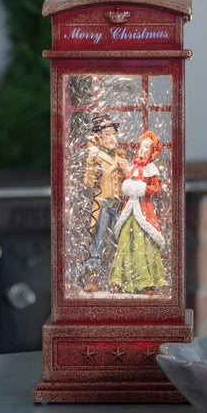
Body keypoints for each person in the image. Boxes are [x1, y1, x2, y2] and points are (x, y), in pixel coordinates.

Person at [108, 130, 167, 294]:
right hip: (129, 209)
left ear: (152, 151)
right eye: (141, 145)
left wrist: (140, 188)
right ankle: (121, 279)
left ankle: (147, 281)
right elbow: (125, 182)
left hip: (143, 209)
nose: (142, 149)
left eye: (146, 147)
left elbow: (155, 188)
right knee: (125, 242)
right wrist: (127, 186)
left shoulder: (151, 169)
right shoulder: (132, 167)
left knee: (143, 242)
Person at [82, 115, 128, 292]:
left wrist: (127, 169)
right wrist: (91, 160)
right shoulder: (97, 156)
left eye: (113, 134)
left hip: (119, 203)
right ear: (99, 138)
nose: (111, 138)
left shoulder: (120, 156)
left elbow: (129, 181)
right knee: (99, 238)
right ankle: (93, 274)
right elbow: (88, 182)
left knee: (119, 239)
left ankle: (117, 277)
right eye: (107, 134)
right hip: (104, 203)